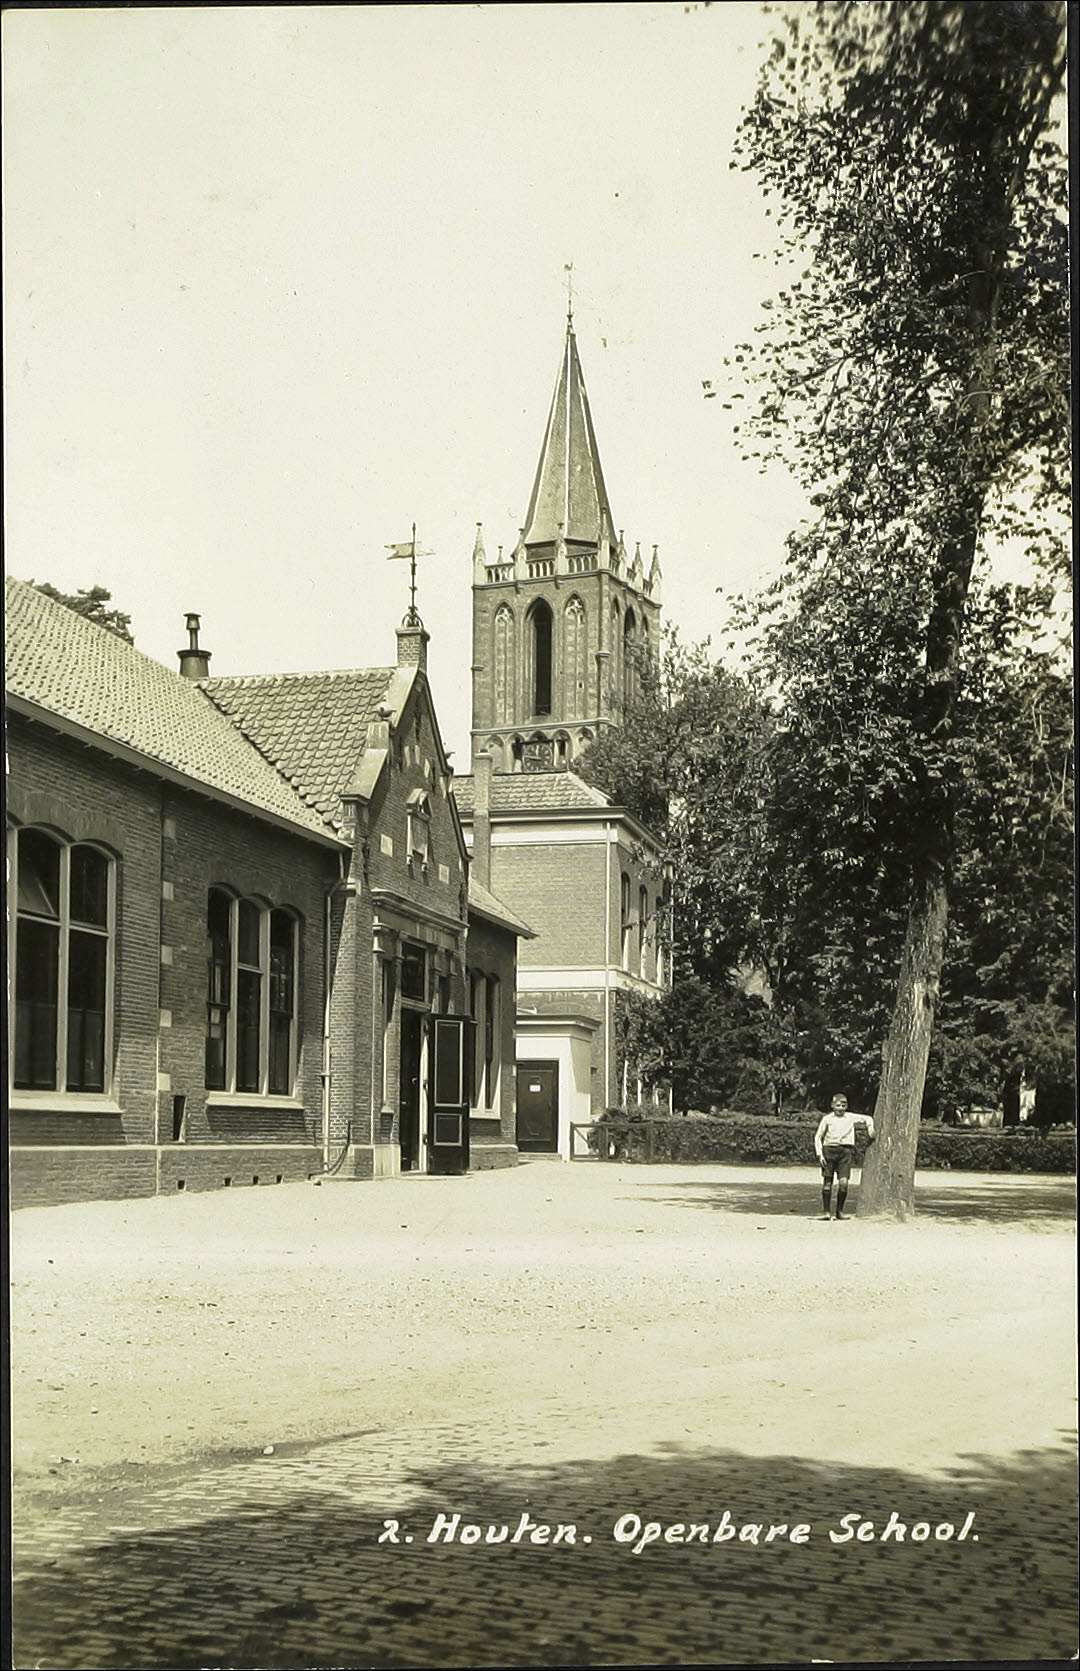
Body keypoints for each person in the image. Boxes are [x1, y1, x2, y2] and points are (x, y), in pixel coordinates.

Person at [814, 1094, 875, 1220]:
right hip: (829, 1150)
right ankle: (826, 1211)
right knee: (827, 1182)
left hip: (845, 1151)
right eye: (838, 1105)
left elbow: (868, 1118)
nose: (840, 1108)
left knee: (844, 1183)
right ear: (832, 1105)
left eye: (843, 1105)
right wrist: (820, 1154)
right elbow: (818, 1137)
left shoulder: (850, 1117)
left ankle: (839, 1211)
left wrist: (870, 1129)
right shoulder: (827, 1119)